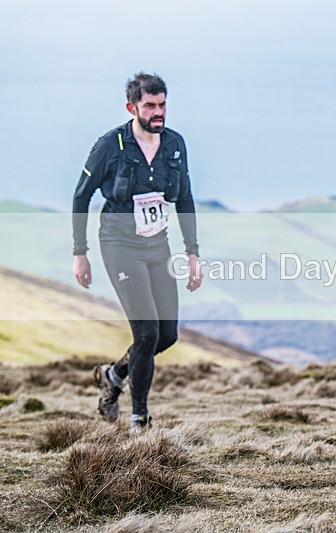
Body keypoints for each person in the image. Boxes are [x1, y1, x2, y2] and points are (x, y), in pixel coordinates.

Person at [72, 72, 203, 432]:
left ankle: (113, 375)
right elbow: (81, 196)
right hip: (119, 245)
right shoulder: (109, 145)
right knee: (145, 334)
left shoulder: (175, 144)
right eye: (150, 105)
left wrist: (193, 254)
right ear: (132, 107)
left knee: (167, 335)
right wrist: (79, 252)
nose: (158, 112)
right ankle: (139, 419)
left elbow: (186, 198)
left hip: (157, 245)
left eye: (163, 104)